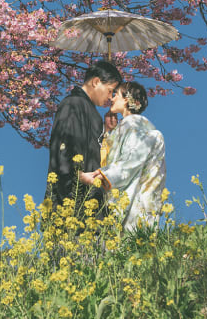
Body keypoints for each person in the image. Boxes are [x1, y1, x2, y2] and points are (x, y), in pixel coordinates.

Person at [83, 82, 166, 230]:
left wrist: (102, 175)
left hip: (132, 199)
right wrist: (109, 133)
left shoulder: (133, 125)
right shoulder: (131, 126)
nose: (112, 99)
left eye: (116, 95)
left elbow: (131, 159)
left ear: (127, 99)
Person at [46, 60, 122, 218]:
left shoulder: (88, 109)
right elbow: (61, 149)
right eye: (110, 90)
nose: (110, 97)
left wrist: (107, 131)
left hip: (89, 199)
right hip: (70, 202)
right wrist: (79, 176)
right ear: (96, 82)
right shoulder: (73, 104)